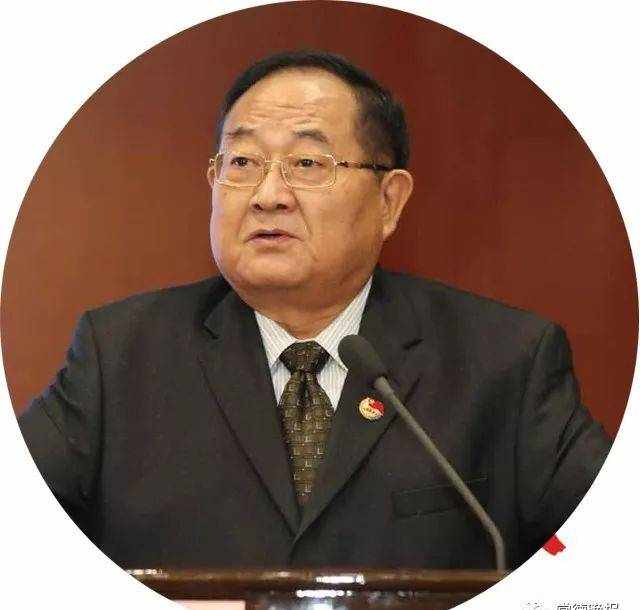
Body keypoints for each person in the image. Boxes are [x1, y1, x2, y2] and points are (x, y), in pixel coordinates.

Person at [18, 50, 611, 570]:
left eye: (307, 164)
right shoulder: (119, 355)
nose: (268, 195)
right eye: (241, 163)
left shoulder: (506, 361)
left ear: (389, 201)